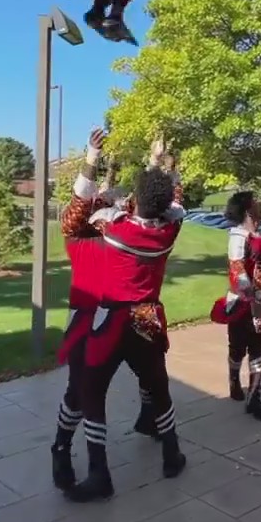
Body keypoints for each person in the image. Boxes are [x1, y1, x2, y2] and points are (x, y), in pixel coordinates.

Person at [66, 130, 187, 502]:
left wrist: (92, 157)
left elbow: (76, 215)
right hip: (147, 320)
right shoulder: (169, 231)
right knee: (158, 388)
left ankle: (99, 472)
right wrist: (163, 164)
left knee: (92, 390)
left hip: (110, 321)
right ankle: (171, 453)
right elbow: (169, 200)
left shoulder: (113, 227)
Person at [50, 149, 158, 493]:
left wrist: (154, 164)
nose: (109, 210)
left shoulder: (118, 234)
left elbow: (144, 205)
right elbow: (78, 210)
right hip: (86, 321)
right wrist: (91, 159)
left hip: (120, 317)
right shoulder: (77, 236)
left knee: (150, 370)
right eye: (100, 206)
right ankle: (62, 448)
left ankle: (148, 418)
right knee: (79, 394)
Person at [209, 191, 261, 422]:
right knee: (237, 347)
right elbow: (237, 267)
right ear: (248, 210)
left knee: (258, 348)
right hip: (243, 301)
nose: (260, 204)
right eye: (256, 202)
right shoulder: (238, 236)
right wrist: (249, 291)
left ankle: (255, 397)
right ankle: (234, 379)